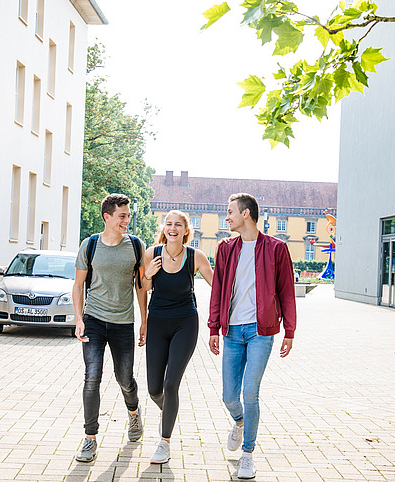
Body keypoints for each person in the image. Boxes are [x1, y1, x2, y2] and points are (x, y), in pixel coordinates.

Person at [208, 193, 297, 479]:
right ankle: (239, 422)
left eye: (231, 211)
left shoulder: (276, 248)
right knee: (229, 396)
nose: (227, 217)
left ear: (246, 213)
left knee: (250, 393)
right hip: (232, 331)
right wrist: (213, 327)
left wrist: (289, 331)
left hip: (262, 331)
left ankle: (248, 454)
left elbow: (286, 290)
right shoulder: (226, 248)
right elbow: (218, 289)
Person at [72, 193, 147, 462]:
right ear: (107, 216)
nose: (127, 220)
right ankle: (90, 438)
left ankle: (134, 413)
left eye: (128, 216)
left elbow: (141, 287)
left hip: (123, 323)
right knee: (92, 377)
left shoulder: (136, 246)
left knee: (124, 379)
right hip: (93, 320)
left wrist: (144, 322)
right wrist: (79, 319)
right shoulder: (90, 245)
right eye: (122, 216)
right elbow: (79, 285)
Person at [139, 210, 214, 464]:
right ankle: (168, 409)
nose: (172, 228)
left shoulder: (195, 256)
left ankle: (164, 442)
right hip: (158, 323)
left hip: (185, 324)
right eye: (169, 224)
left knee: (171, 384)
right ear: (164, 228)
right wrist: (147, 273)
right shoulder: (152, 253)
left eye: (178, 225)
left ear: (185, 230)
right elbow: (144, 287)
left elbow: (219, 286)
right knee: (153, 388)